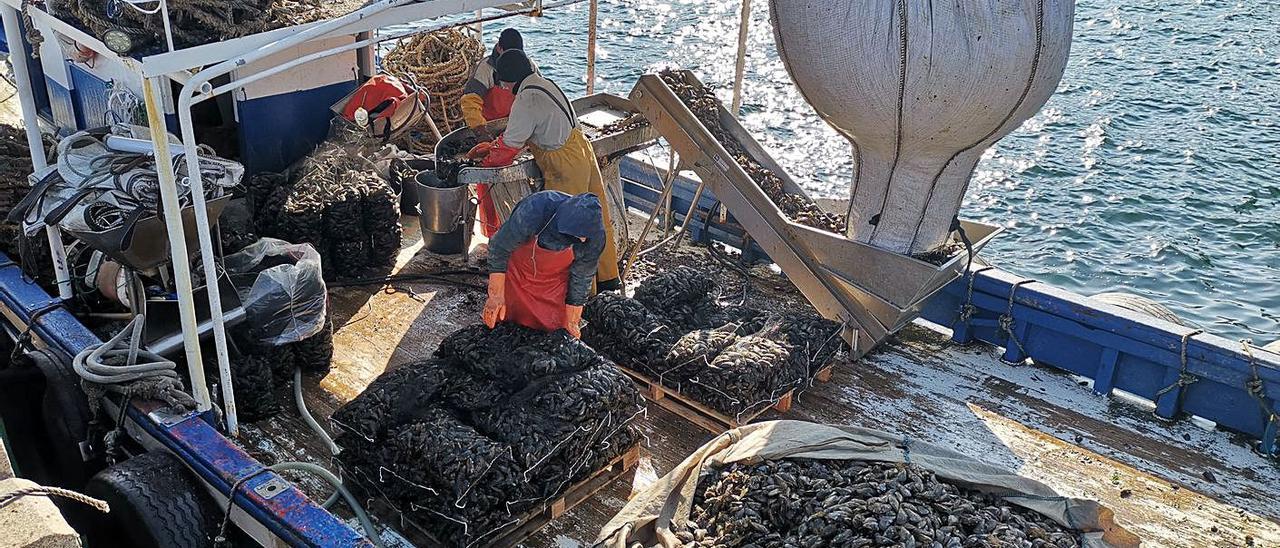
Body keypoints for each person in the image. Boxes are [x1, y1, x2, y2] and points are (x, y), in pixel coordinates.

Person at [473, 49, 622, 291]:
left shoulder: (526, 99)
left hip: (564, 164)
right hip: (582, 150)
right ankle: (607, 279)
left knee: (569, 230)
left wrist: (487, 158)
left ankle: (583, 296)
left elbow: (510, 145)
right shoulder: (546, 83)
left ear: (507, 81)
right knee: (596, 220)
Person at [482, 190, 608, 338]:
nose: (582, 240)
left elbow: (582, 277)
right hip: (519, 272)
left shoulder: (595, 237)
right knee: (506, 321)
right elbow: (499, 247)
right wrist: (495, 295)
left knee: (554, 330)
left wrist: (573, 320)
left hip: (554, 283)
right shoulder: (535, 208)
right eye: (574, 236)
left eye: (584, 238)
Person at [459, 28, 538, 237]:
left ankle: (520, 233)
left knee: (519, 185)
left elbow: (535, 100)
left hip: (517, 133)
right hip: (489, 132)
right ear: (499, 48)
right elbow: (470, 101)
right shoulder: (486, 68)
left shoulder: (528, 66)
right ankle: (492, 233)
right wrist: (480, 130)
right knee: (488, 185)